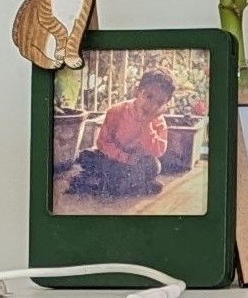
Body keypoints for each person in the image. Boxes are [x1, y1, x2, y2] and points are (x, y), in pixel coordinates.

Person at [66, 68, 177, 202]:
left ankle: (103, 184)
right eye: (148, 96)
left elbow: (157, 151)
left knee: (154, 166)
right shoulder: (116, 111)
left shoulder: (158, 121)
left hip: (136, 163)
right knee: (86, 156)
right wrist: (124, 157)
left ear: (165, 104)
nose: (152, 105)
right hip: (112, 158)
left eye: (159, 103)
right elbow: (103, 142)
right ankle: (136, 185)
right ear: (137, 92)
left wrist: (146, 125)